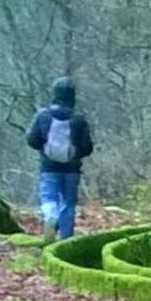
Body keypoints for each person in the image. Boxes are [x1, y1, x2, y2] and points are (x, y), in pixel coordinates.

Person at [25, 76, 94, 240]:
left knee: (49, 197)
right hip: (72, 169)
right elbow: (87, 147)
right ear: (72, 96)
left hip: (48, 168)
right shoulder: (78, 119)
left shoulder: (43, 116)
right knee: (69, 203)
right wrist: (76, 153)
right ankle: (66, 239)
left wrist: (44, 148)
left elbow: (31, 140)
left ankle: (50, 217)